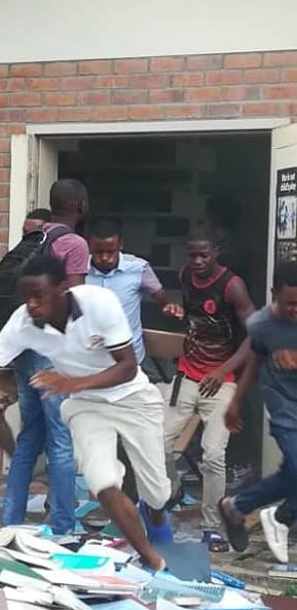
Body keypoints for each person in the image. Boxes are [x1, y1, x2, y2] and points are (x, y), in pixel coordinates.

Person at [0, 254, 173, 570]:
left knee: (157, 493)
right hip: (86, 407)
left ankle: (156, 514)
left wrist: (73, 383)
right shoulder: (22, 323)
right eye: (26, 297)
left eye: (39, 296)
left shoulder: (99, 303)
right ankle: (152, 560)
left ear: (62, 288)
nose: (31, 305)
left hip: (133, 399)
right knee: (103, 484)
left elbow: (128, 367)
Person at [0, 180, 89, 531]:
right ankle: (64, 526)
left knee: (29, 437)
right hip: (53, 353)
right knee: (61, 439)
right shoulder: (74, 244)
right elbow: (75, 303)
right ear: (81, 204)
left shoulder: (33, 236)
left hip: (24, 350)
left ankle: (11, 518)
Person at [163, 227, 255, 550]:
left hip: (222, 381)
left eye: (204, 255)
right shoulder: (185, 275)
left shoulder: (232, 286)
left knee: (213, 454)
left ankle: (212, 526)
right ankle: (173, 490)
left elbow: (255, 335)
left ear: (217, 252)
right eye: (193, 255)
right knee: (156, 442)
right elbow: (193, 316)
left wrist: (223, 369)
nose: (198, 261)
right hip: (188, 376)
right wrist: (176, 311)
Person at [219, 261, 297, 564]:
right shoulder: (262, 325)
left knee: (291, 473)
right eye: (290, 303)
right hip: (284, 406)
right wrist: (236, 402)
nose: (296, 310)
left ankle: (236, 507)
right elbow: (253, 362)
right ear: (274, 294)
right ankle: (281, 517)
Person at [0, 207, 53, 458]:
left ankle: (51, 472)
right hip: (13, 356)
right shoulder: (13, 265)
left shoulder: (57, 267)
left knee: (52, 421)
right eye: (24, 233)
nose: (28, 239)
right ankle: (21, 462)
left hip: (47, 358)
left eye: (34, 233)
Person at [86, 219, 171, 365]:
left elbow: (162, 300)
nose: (105, 258)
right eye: (98, 252)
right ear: (89, 246)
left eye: (110, 252)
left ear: (120, 245)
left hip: (130, 359)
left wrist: (168, 307)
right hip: (91, 358)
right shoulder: (78, 270)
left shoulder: (138, 268)